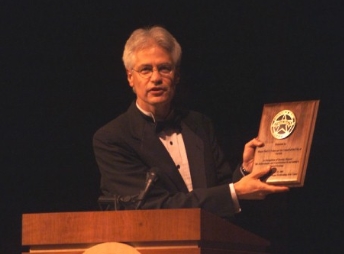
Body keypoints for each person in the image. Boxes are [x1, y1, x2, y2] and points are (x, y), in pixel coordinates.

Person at [93, 26, 289, 218]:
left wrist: (245, 170)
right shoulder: (112, 138)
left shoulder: (199, 123)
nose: (156, 78)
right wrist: (235, 191)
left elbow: (220, 189)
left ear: (176, 76)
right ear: (130, 77)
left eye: (164, 68)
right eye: (145, 70)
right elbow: (153, 207)